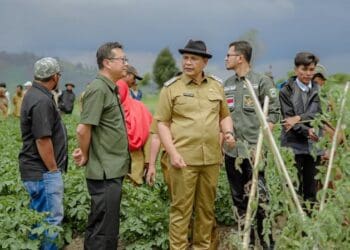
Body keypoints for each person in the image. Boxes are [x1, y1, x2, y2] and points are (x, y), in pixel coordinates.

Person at [155, 39, 235, 250]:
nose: (188, 62)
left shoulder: (217, 86)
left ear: (204, 62)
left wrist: (227, 132)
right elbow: (162, 124)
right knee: (181, 210)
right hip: (183, 160)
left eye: (193, 58)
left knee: (206, 210)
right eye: (185, 58)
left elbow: (224, 116)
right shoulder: (171, 88)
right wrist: (172, 153)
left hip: (211, 159)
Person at [72, 42, 130, 249]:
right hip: (104, 171)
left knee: (106, 225)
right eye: (122, 60)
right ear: (107, 63)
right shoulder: (98, 89)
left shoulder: (109, 88)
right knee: (103, 230)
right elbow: (82, 129)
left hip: (111, 170)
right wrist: (85, 154)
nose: (126, 64)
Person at [223, 40, 280, 248]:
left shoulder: (261, 81)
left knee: (261, 199)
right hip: (232, 153)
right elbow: (222, 116)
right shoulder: (227, 84)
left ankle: (266, 243)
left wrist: (260, 144)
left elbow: (274, 114)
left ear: (240, 58)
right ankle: (246, 242)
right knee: (239, 200)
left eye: (229, 55)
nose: (225, 58)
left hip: (255, 153)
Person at [19, 57, 67, 249]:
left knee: (40, 222)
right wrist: (53, 171)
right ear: (55, 76)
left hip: (37, 172)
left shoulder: (34, 95)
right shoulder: (41, 100)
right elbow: (42, 139)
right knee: (50, 223)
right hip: (43, 173)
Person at [280, 52, 322, 204]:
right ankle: (296, 224)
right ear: (296, 69)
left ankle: (309, 225)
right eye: (304, 69)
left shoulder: (318, 89)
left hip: (313, 145)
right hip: (293, 144)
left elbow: (316, 113)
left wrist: (298, 118)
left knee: (311, 189)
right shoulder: (286, 91)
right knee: (293, 187)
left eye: (311, 70)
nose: (308, 73)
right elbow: (287, 120)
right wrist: (306, 130)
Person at [116, 79, 152, 185]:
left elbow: (150, 133)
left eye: (119, 91)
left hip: (136, 161)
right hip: (114, 163)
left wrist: (149, 161)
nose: (117, 95)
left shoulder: (139, 107)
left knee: (134, 188)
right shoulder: (108, 110)